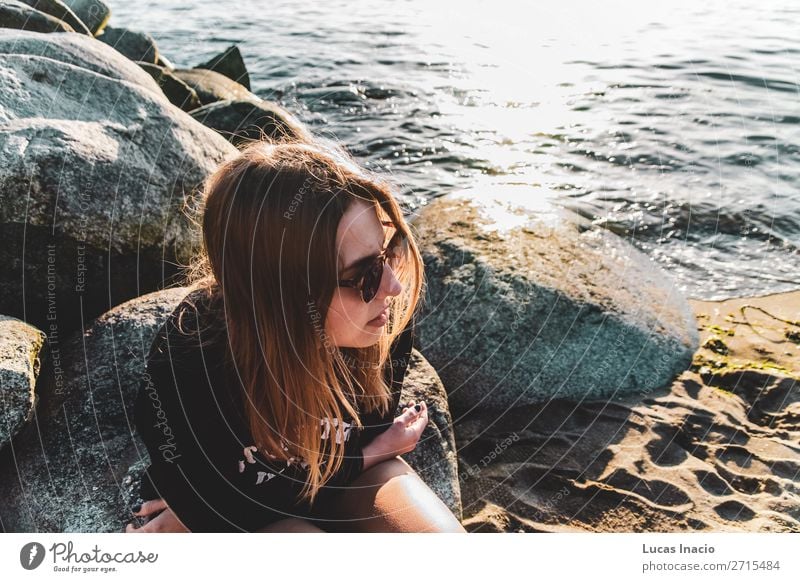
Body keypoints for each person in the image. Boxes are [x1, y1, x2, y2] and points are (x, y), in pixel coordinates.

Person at [126, 139, 466, 533]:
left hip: (319, 486)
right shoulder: (189, 370)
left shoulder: (379, 324)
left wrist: (365, 455)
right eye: (365, 274)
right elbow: (229, 511)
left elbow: (241, 498)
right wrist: (372, 454)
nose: (393, 286)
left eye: (388, 254)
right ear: (284, 293)